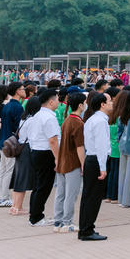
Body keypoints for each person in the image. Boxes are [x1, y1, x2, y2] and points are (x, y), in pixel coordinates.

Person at [78, 91, 111, 241]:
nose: (112, 104)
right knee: (93, 197)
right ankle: (86, 230)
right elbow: (101, 147)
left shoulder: (93, 119)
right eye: (110, 101)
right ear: (102, 104)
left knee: (88, 196)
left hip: (92, 159)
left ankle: (86, 228)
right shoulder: (100, 121)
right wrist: (103, 168)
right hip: (97, 160)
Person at [26, 88, 61, 226]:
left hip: (36, 151)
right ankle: (36, 217)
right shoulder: (49, 117)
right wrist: (57, 158)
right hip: (45, 153)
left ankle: (34, 215)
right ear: (51, 102)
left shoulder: (38, 115)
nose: (58, 102)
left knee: (39, 185)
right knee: (44, 187)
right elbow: (53, 140)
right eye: (57, 99)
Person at [51, 92, 86, 232]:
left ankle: (58, 222)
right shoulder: (77, 122)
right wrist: (83, 164)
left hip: (62, 162)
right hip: (72, 163)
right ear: (80, 105)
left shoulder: (67, 120)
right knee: (71, 194)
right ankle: (67, 222)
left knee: (61, 193)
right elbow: (79, 147)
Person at [113, 89, 130, 212]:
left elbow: (119, 130)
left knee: (123, 173)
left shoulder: (123, 112)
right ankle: (127, 201)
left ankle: (121, 198)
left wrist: (120, 140)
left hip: (122, 145)